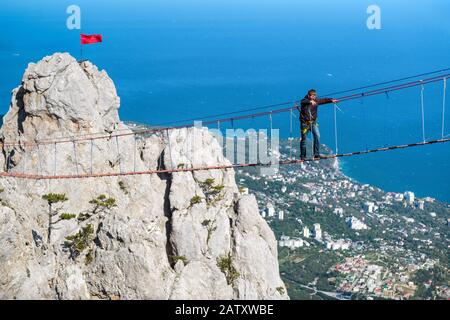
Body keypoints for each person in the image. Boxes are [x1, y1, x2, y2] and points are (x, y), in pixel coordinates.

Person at [296, 89, 338, 160]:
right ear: (309, 95)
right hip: (305, 124)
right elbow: (303, 101)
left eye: (315, 96)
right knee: (304, 140)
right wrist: (310, 101)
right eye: (313, 96)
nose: (314, 97)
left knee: (317, 136)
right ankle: (303, 156)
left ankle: (316, 154)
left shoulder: (316, 101)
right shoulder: (304, 101)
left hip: (313, 123)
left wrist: (331, 100)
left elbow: (323, 100)